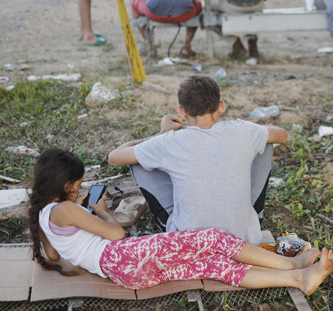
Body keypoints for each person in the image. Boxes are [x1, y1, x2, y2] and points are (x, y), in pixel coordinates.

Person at [28, 148, 333, 293]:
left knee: (213, 265)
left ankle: (298, 279)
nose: (80, 189)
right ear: (62, 185)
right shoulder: (65, 210)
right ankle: (292, 266)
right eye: (77, 185)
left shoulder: (43, 215)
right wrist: (100, 210)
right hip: (123, 255)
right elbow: (117, 235)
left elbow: (56, 255)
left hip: (124, 274)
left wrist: (82, 227)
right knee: (213, 239)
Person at [108, 75, 286, 244]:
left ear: (182, 112)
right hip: (242, 238)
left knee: (138, 159)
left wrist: (161, 134)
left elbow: (114, 158)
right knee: (265, 141)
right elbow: (282, 135)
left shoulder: (168, 141)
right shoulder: (244, 131)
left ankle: (175, 225)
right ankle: (253, 215)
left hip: (188, 242)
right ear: (221, 106)